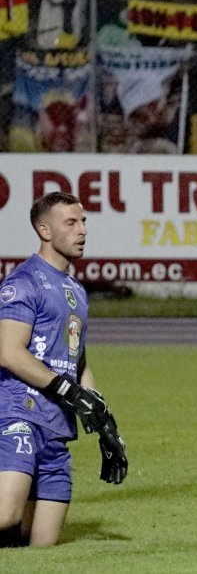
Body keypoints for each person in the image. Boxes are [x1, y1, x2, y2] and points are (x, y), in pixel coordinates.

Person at [0, 192, 128, 547]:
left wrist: (105, 422)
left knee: (41, 547)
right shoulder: (22, 282)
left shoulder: (75, 290)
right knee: (5, 517)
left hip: (56, 430)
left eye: (83, 221)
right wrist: (68, 391)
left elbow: (77, 361)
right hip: (17, 415)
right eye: (70, 223)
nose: (82, 230)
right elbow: (8, 353)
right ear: (44, 230)